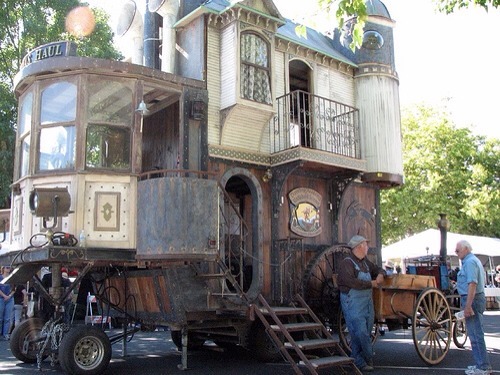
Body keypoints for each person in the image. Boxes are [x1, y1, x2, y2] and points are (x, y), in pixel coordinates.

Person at [337, 235, 385, 372]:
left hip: (366, 303)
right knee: (360, 332)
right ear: (359, 247)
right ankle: (366, 358)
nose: (368, 247)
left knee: (366, 331)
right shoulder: (347, 263)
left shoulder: (364, 262)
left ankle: (357, 358)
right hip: (352, 302)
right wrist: (371, 283)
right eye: (366, 245)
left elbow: (377, 269)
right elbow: (351, 282)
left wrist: (381, 274)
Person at [455, 240, 492, 375]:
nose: (456, 253)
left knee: (476, 335)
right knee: (475, 335)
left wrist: (468, 306)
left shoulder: (470, 262)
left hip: (473, 299)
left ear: (465, 249)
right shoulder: (472, 261)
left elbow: (472, 284)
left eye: (458, 250)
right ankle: (481, 364)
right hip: (475, 298)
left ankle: (483, 367)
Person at [0, 266, 14, 340]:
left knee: (8, 318)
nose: (8, 269)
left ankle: (5, 334)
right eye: (7, 267)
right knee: (0, 317)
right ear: (3, 268)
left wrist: (9, 296)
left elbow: (14, 288)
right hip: (1, 298)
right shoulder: (0, 277)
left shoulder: (12, 278)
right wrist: (4, 296)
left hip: (10, 299)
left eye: (9, 267)